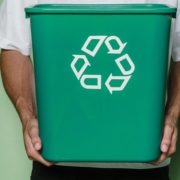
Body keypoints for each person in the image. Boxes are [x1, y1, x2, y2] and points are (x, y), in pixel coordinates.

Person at [0, 0, 180, 180]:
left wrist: (171, 116)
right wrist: (28, 117)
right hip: (57, 156)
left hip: (146, 161)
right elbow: (13, 47)